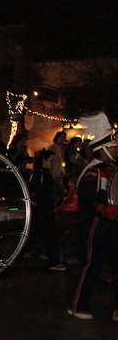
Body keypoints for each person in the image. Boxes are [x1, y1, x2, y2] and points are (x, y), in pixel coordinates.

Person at [68, 113, 118, 321]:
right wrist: (105, 210)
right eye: (114, 146)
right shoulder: (93, 172)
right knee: (92, 264)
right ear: (104, 149)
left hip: (112, 224)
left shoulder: (111, 169)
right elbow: (88, 203)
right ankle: (78, 305)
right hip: (96, 225)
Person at [28, 150, 66, 271]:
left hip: (45, 210)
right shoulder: (39, 175)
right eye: (51, 160)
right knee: (49, 236)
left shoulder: (46, 175)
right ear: (44, 160)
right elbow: (37, 193)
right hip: (42, 211)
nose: (53, 163)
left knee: (47, 236)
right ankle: (54, 261)